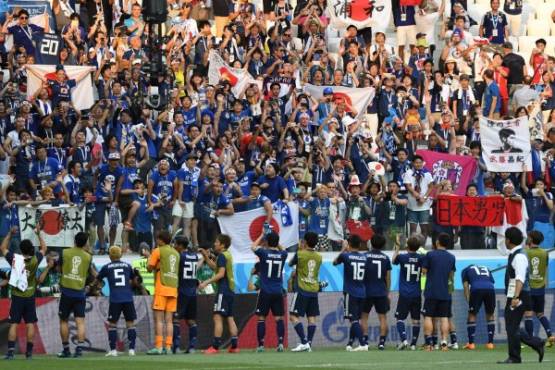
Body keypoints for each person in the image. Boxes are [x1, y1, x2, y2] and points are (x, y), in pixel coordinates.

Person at [498, 227, 545, 364]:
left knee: (511, 326)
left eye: (505, 238)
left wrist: (515, 297)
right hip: (515, 294)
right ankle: (537, 343)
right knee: (512, 326)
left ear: (508, 240)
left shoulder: (519, 256)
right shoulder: (515, 254)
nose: (504, 241)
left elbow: (520, 278)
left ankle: (515, 357)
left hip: (518, 295)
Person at [1, 225, 46, 360]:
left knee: (14, 323)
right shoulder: (35, 259)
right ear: (31, 249)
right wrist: (38, 234)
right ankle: (29, 353)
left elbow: (3, 248)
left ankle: (10, 353)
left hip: (17, 296)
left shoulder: (15, 259)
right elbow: (44, 248)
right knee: (30, 323)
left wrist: (9, 234)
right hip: (30, 295)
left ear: (21, 249)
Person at [199, 234, 240, 354]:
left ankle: (215, 347)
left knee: (217, 317)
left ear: (222, 245)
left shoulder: (222, 255)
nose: (214, 244)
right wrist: (206, 257)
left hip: (223, 290)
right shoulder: (227, 254)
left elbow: (220, 274)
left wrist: (206, 282)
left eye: (217, 242)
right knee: (230, 318)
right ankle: (234, 346)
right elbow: (216, 268)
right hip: (231, 290)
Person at [58, 232, 95, 358]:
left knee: (63, 321)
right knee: (80, 322)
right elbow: (90, 272)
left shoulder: (64, 253)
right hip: (80, 293)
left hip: (66, 292)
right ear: (85, 243)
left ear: (74, 240)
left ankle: (66, 350)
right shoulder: (88, 257)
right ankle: (79, 350)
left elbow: (59, 269)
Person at [95, 246, 137, 357]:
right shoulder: (128, 266)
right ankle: (132, 350)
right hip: (128, 297)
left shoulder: (106, 267)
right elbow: (134, 281)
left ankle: (113, 350)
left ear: (110, 256)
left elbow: (98, 279)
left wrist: (95, 287)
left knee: (113, 324)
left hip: (115, 299)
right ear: (121, 255)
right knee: (130, 324)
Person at [251, 231, 288, 352]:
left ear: (267, 242)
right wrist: (277, 244)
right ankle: (281, 343)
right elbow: (284, 249)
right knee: (279, 318)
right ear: (277, 243)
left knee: (261, 318)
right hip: (278, 291)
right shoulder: (283, 254)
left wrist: (262, 234)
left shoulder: (263, 252)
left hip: (265, 291)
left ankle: (261, 345)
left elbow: (253, 247)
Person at [146, 231, 180, 355]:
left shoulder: (157, 251)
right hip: (173, 288)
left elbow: (149, 268)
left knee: (159, 320)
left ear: (160, 240)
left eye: (157, 239)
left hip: (162, 288)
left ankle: (159, 346)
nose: (156, 241)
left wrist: (149, 259)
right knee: (169, 320)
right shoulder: (176, 253)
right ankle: (169, 347)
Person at [422, 232, 456, 351]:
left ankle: (429, 344)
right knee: (444, 317)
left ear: (437, 242)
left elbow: (424, 272)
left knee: (428, 316)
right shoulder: (452, 257)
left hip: (431, 291)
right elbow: (451, 275)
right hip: (445, 292)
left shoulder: (430, 255)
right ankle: (444, 342)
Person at [333, 235, 367, 352]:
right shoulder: (364, 257)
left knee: (353, 319)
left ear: (349, 244)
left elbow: (334, 262)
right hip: (362, 292)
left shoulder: (345, 256)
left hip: (350, 292)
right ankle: (350, 343)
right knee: (356, 319)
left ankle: (363, 343)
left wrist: (343, 249)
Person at [289, 231, 322, 352]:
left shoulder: (300, 254)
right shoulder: (319, 257)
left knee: (293, 316)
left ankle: (303, 341)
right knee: (311, 317)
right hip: (313, 289)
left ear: (305, 242)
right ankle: (309, 344)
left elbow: (290, 264)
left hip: (302, 289)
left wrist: (300, 249)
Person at [392, 235, 423, 351]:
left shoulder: (402, 257)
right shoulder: (421, 258)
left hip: (405, 293)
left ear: (407, 246)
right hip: (416, 294)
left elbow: (393, 260)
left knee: (400, 318)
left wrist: (397, 248)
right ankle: (413, 344)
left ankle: (404, 340)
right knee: (416, 320)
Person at [524, 230, 555, 346]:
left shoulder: (526, 253)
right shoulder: (545, 253)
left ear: (531, 239)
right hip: (541, 287)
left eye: (528, 237)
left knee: (528, 314)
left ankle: (530, 340)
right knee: (540, 313)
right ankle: (550, 335)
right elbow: (545, 269)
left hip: (529, 287)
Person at [362, 234, 392, 350]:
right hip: (381, 291)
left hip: (366, 291)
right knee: (383, 317)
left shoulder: (365, 256)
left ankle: (365, 343)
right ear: (383, 245)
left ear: (371, 243)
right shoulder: (385, 258)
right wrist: (388, 292)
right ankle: (381, 343)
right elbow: (388, 277)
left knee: (364, 317)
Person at [172, 236, 200, 354]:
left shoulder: (180, 257)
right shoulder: (194, 256)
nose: (174, 246)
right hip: (193, 292)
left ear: (180, 246)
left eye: (175, 244)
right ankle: (192, 346)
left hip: (182, 291)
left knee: (176, 318)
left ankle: (176, 346)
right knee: (191, 320)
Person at [461, 264, 496, 350]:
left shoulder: (465, 270)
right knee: (490, 314)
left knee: (472, 314)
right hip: (490, 289)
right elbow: (491, 282)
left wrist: (469, 302)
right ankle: (490, 343)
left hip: (476, 288)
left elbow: (466, 287)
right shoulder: (486, 268)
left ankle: (471, 343)